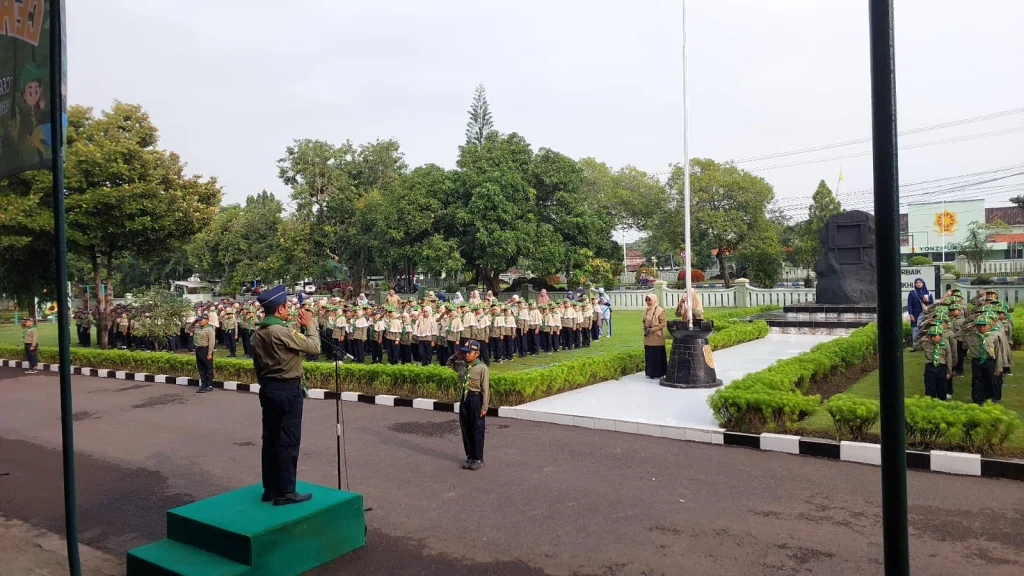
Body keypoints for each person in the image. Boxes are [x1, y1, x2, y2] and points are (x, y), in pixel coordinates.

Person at [250, 285, 320, 506]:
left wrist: (266, 385)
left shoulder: (258, 333)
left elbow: (258, 367)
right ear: (280, 308)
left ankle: (270, 489)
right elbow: (314, 347)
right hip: (288, 389)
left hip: (269, 388)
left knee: (270, 439)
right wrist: (309, 324)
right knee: (288, 441)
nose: (289, 309)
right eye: (287, 306)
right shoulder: (282, 332)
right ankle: (286, 492)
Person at [447, 339, 489, 471]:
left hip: (476, 399)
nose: (466, 355)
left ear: (476, 353)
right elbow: (449, 363)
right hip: (464, 399)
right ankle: (469, 456)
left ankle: (478, 458)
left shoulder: (482, 368)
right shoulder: (461, 365)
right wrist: (456, 354)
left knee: (477, 429)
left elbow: (486, 389)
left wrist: (484, 407)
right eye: (464, 353)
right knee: (466, 429)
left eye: (468, 353)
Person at [966, 314, 999, 404]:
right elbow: (958, 335)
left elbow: (998, 353)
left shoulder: (993, 336)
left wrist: (998, 368)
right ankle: (977, 400)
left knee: (990, 381)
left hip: (989, 362)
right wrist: (970, 323)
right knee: (977, 381)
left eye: (984, 325)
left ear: (989, 325)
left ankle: (990, 399)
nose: (981, 327)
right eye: (978, 325)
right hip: (977, 361)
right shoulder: (971, 336)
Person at [920, 325, 952, 400]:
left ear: (941, 336)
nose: (932, 338)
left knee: (942, 388)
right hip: (930, 367)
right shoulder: (926, 343)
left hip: (941, 367)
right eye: (931, 336)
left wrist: (949, 371)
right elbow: (915, 347)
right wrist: (922, 339)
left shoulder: (946, 343)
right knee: (929, 388)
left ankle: (941, 403)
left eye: (934, 336)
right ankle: (930, 403)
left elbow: (948, 357)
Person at [642, 294, 668, 379]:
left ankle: (659, 373)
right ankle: (650, 373)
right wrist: (645, 327)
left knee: (657, 354)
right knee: (649, 355)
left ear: (654, 300)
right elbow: (643, 321)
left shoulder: (660, 310)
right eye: (646, 300)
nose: (648, 302)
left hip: (657, 336)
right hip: (648, 336)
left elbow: (663, 323)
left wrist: (653, 329)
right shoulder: (646, 310)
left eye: (649, 300)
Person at [193, 314, 216, 393]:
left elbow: (211, 342)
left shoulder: (209, 329)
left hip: (205, 349)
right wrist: (193, 322)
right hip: (198, 349)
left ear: (207, 320)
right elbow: (188, 329)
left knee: (208, 368)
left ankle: (209, 385)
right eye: (199, 320)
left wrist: (210, 353)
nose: (199, 321)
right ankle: (203, 385)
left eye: (201, 320)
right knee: (201, 368)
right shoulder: (198, 328)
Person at [907, 277, 930, 349]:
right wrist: (911, 314)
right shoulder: (912, 292)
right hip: (915, 314)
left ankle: (924, 346)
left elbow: (931, 304)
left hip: (925, 314)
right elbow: (909, 304)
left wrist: (927, 301)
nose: (918, 284)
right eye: (916, 283)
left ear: (923, 283)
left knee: (924, 328)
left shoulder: (928, 292)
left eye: (920, 282)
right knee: (915, 329)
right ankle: (915, 346)